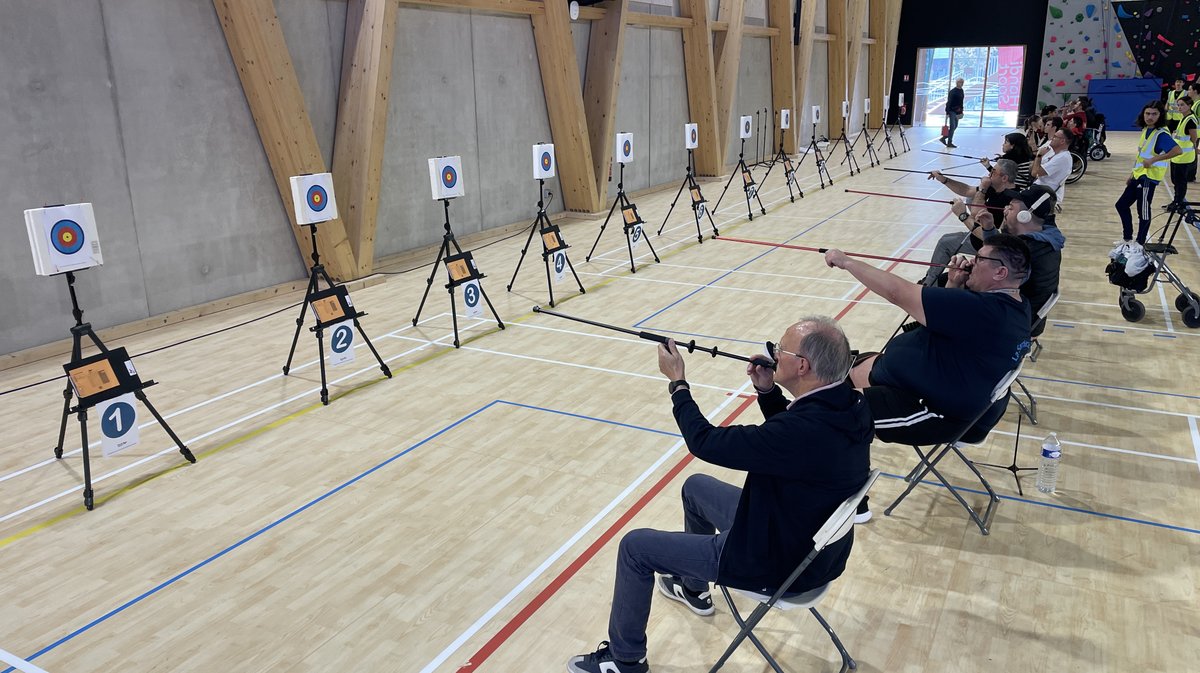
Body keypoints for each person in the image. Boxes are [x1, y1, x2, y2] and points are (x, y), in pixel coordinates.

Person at [567, 319, 873, 673]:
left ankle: (625, 660)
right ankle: (694, 590)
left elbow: (705, 442)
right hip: (809, 544)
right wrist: (768, 391)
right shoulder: (851, 405)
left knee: (635, 548)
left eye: (780, 350)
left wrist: (678, 384)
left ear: (802, 365)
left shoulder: (799, 432)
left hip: (774, 561)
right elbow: (797, 444)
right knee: (695, 487)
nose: (774, 354)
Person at [824, 235, 1032, 449]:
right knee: (829, 372)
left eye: (979, 259)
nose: (971, 262)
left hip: (936, 413)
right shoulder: (1017, 305)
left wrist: (846, 262)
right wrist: (953, 284)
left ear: (1000, 273)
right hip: (924, 384)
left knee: (822, 408)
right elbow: (958, 328)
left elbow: (897, 293)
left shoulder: (982, 310)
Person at [922, 159, 1021, 285]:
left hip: (990, 246)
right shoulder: (995, 188)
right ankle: (930, 281)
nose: (989, 173)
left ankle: (928, 284)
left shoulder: (1011, 199)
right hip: (977, 237)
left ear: (1004, 178)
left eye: (993, 171)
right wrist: (943, 179)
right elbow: (967, 190)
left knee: (945, 243)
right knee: (945, 240)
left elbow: (976, 213)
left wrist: (982, 190)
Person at [1114, 100, 1181, 249]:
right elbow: (1141, 156)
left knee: (1143, 211)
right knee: (1121, 205)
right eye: (1147, 113)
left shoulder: (1161, 134)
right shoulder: (1146, 130)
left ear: (1160, 115)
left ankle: (1140, 243)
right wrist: (1132, 173)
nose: (1150, 117)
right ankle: (1127, 238)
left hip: (1148, 179)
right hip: (1139, 175)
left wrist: (1153, 160)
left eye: (1154, 114)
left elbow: (1177, 150)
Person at [1166, 95, 1198, 210]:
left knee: (1180, 182)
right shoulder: (1184, 118)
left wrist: (1193, 148)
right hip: (1177, 156)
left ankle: (1178, 203)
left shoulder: (1190, 120)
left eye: (1182, 105)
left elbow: (1194, 138)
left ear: (1189, 106)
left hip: (1184, 157)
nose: (1179, 107)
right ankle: (1176, 201)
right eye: (1178, 105)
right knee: (1176, 180)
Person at [1032, 127, 1074, 203]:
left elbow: (1035, 173)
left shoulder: (1062, 158)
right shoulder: (1056, 154)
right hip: (1040, 188)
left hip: (1045, 193)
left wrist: (1039, 156)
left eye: (1055, 137)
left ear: (1062, 141)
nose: (1051, 138)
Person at [941, 78, 965, 148]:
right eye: (960, 82)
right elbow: (949, 102)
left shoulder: (961, 91)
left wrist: (961, 111)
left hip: (958, 111)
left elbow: (961, 102)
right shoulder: (952, 91)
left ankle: (944, 138)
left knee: (955, 126)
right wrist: (947, 112)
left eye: (962, 82)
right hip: (952, 111)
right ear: (957, 83)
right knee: (952, 126)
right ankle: (949, 142)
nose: (961, 84)